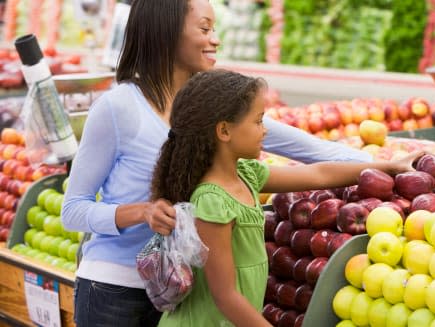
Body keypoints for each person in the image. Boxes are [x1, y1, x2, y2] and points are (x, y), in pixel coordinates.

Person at [61, 0, 373, 326]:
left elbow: (316, 154)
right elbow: (73, 210)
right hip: (116, 293)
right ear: (167, 33)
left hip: (184, 297)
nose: (216, 40)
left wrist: (392, 166)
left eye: (215, 29)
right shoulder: (117, 108)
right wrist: (141, 212)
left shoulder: (210, 106)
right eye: (204, 28)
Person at [151, 69, 422, 327]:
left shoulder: (246, 174)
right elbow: (226, 297)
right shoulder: (212, 201)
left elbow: (319, 174)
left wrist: (390, 167)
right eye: (257, 121)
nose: (265, 130)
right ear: (224, 131)